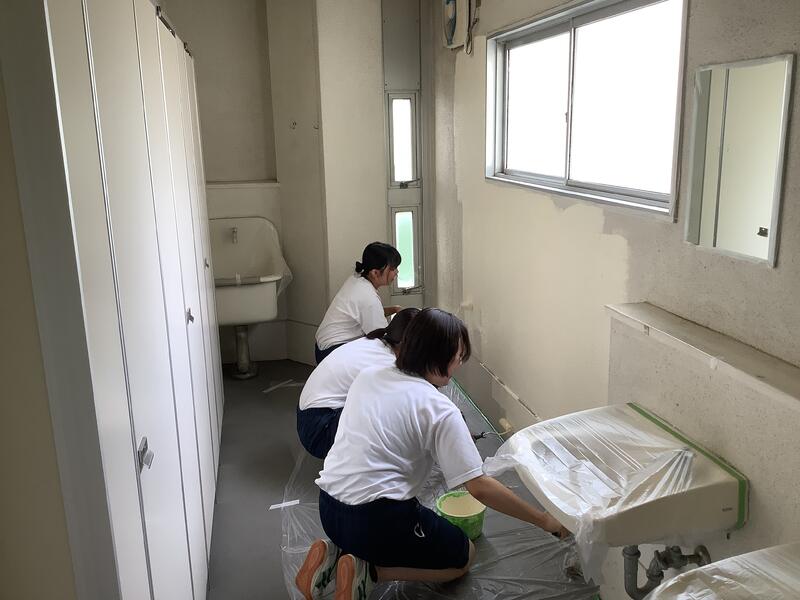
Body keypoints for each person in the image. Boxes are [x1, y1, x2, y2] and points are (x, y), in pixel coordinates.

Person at [295, 308, 568, 600]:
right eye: (459, 356)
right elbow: (479, 487)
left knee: (377, 524)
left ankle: (335, 554)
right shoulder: (439, 409)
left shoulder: (368, 377)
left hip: (328, 508)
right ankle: (370, 572)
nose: (460, 363)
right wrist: (544, 520)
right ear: (442, 357)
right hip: (374, 521)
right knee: (463, 557)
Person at [297, 307, 420, 460]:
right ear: (405, 343)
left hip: (310, 416)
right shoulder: (387, 363)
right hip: (320, 430)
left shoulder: (375, 342)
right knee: (395, 407)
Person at [314, 242, 403, 364]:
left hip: (324, 348)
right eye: (393, 269)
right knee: (389, 354)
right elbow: (382, 337)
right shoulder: (368, 297)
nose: (396, 272)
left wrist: (395, 309)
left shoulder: (357, 279)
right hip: (334, 352)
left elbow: (368, 313)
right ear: (375, 273)